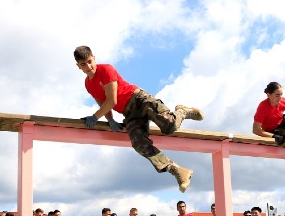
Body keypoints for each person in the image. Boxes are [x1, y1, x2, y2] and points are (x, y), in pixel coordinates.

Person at [74, 45, 204, 192]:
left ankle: (182, 112)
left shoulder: (106, 70)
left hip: (139, 99)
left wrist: (94, 117)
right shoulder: (88, 84)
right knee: (139, 144)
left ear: (94, 58)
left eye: (90, 61)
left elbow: (111, 101)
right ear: (78, 66)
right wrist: (110, 120)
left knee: (169, 126)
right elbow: (103, 103)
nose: (89, 66)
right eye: (83, 64)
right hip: (130, 113)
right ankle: (177, 170)